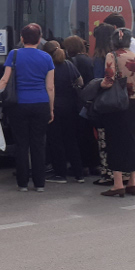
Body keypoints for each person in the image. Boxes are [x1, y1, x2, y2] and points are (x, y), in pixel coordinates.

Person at [0, 23, 55, 192]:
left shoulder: (14, 55)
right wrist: (51, 108)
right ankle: (40, 184)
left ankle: (23, 183)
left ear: (22, 38)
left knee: (21, 144)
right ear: (39, 39)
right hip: (41, 104)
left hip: (19, 105)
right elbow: (50, 87)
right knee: (39, 144)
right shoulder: (47, 57)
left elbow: (4, 80)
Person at [99, 29, 135, 197]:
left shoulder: (112, 56)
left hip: (117, 103)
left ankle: (118, 184)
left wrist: (98, 86)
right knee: (132, 140)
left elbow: (109, 80)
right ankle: (133, 181)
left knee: (115, 140)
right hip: (134, 101)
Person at [45, 41, 84, 184]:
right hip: (70, 106)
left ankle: (60, 174)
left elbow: (48, 87)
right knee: (71, 140)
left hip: (54, 106)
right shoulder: (68, 64)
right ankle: (79, 174)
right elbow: (80, 82)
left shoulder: (47, 66)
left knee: (56, 141)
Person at [63, 35, 98, 174]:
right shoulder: (87, 59)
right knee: (89, 134)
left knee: (79, 135)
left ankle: (81, 165)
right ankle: (93, 165)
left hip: (77, 102)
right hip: (88, 101)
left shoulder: (73, 61)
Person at [91, 23, 117, 184]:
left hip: (104, 103)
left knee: (104, 139)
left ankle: (107, 173)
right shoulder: (118, 55)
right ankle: (122, 174)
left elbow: (99, 81)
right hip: (120, 103)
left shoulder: (100, 58)